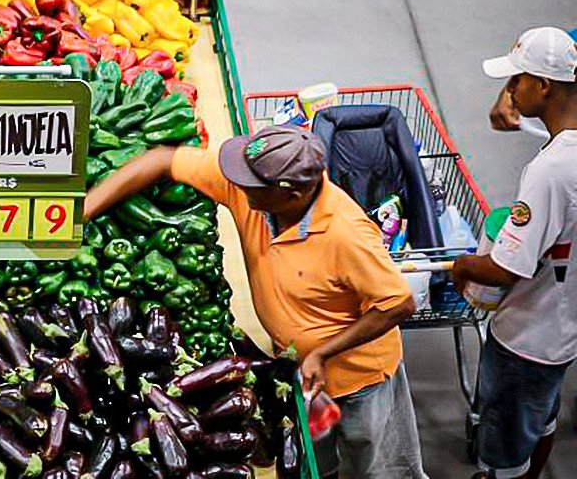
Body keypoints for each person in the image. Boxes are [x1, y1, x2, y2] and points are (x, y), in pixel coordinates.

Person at [84, 125, 426, 478]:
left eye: (250, 182)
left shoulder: (347, 234)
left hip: (360, 379)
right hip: (300, 372)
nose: (237, 183)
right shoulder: (258, 193)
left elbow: (398, 303)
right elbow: (162, 159)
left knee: (377, 463)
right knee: (315, 461)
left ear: (290, 192)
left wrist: (323, 352)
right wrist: (82, 212)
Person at [452, 26, 577, 479]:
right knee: (541, 419)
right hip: (562, 333)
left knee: (502, 450)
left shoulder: (551, 171)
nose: (508, 91)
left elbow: (507, 267)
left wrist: (462, 264)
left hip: (525, 340)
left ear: (543, 86)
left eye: (516, 80)